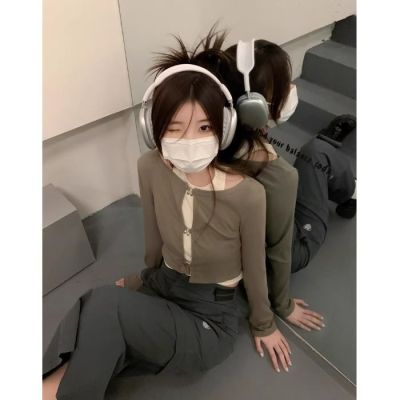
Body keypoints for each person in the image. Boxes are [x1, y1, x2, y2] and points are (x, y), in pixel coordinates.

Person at [43, 60, 313, 399]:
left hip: (210, 319)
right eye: (174, 127)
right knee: (93, 323)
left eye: (204, 127)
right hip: (163, 287)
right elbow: (153, 241)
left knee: (104, 308)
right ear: (152, 128)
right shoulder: (150, 167)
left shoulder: (248, 195)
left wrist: (265, 323)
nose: (190, 140)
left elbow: (255, 267)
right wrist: (142, 279)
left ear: (224, 127)